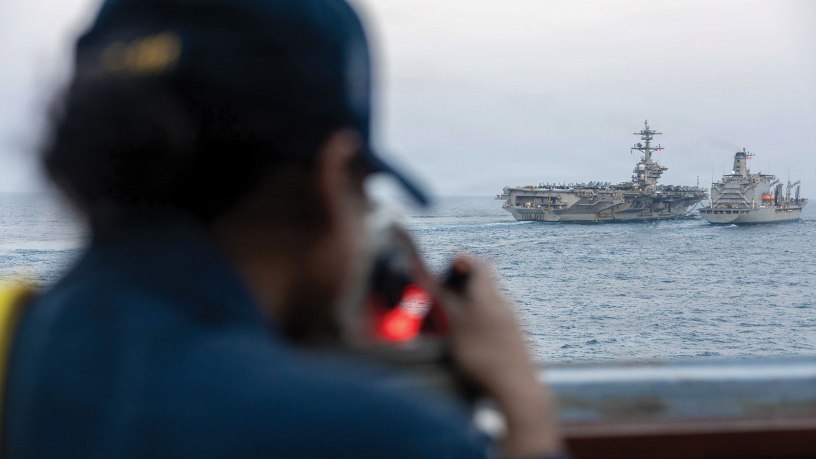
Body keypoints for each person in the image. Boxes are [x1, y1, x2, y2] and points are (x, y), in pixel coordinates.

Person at [2, 0, 564, 457]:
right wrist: (527, 412)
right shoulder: (377, 435)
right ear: (332, 176)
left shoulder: (15, 348)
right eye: (362, 187)